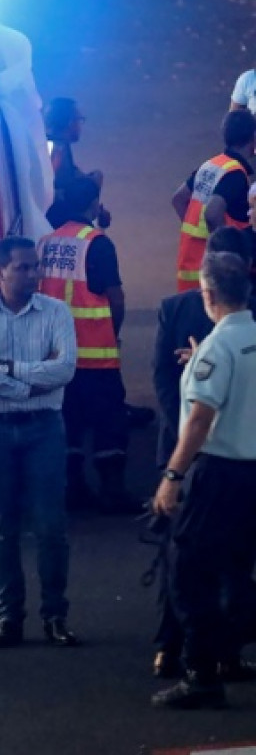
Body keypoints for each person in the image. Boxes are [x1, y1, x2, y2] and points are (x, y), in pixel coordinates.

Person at [0, 236, 80, 649]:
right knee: (2, 528)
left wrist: (9, 372)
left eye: (35, 267)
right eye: (23, 268)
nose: (33, 274)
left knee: (51, 526)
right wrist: (32, 382)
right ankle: (9, 618)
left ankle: (55, 616)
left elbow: (65, 369)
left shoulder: (56, 312)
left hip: (44, 426)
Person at [150, 227, 256, 681]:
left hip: (219, 473)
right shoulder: (241, 339)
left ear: (207, 293)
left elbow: (199, 419)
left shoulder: (216, 348)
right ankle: (228, 652)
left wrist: (172, 477)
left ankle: (200, 674)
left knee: (188, 570)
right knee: (237, 566)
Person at [36, 178, 132, 514]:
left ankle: (72, 489)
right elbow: (115, 299)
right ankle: (112, 491)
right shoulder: (97, 243)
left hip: (55, 357)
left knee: (68, 422)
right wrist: (111, 333)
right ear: (93, 205)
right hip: (95, 355)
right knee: (110, 422)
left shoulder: (46, 243)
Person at [172, 110, 256, 292]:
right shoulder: (235, 173)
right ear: (253, 138)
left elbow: (178, 199)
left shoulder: (211, 165)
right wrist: (225, 256)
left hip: (189, 269)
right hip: (215, 279)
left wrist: (196, 236)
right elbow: (212, 213)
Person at [43, 97, 111, 230]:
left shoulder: (56, 145)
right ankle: (86, 224)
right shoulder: (57, 149)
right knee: (96, 178)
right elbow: (50, 189)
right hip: (58, 214)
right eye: (80, 120)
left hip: (57, 209)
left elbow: (74, 174)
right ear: (69, 122)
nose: (81, 125)